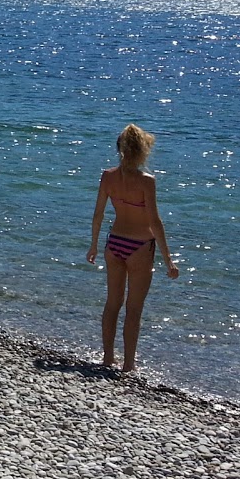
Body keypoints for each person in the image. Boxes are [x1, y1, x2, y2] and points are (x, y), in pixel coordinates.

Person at [87, 123, 179, 372]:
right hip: (139, 246)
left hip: (114, 242)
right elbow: (154, 222)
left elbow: (98, 214)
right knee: (134, 309)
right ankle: (128, 364)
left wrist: (94, 245)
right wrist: (168, 259)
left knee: (112, 303)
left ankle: (108, 357)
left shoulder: (108, 176)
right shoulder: (146, 181)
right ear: (142, 151)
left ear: (119, 149)